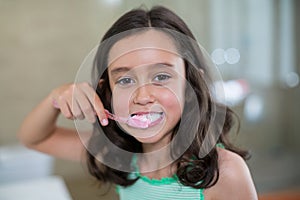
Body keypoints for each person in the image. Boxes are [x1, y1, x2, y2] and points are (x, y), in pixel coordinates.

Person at [18, 5, 258, 200]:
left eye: (161, 77)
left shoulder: (225, 172)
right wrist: (55, 98)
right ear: (108, 92)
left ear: (190, 87)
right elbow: (34, 138)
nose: (142, 96)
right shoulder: (115, 153)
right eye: (125, 80)